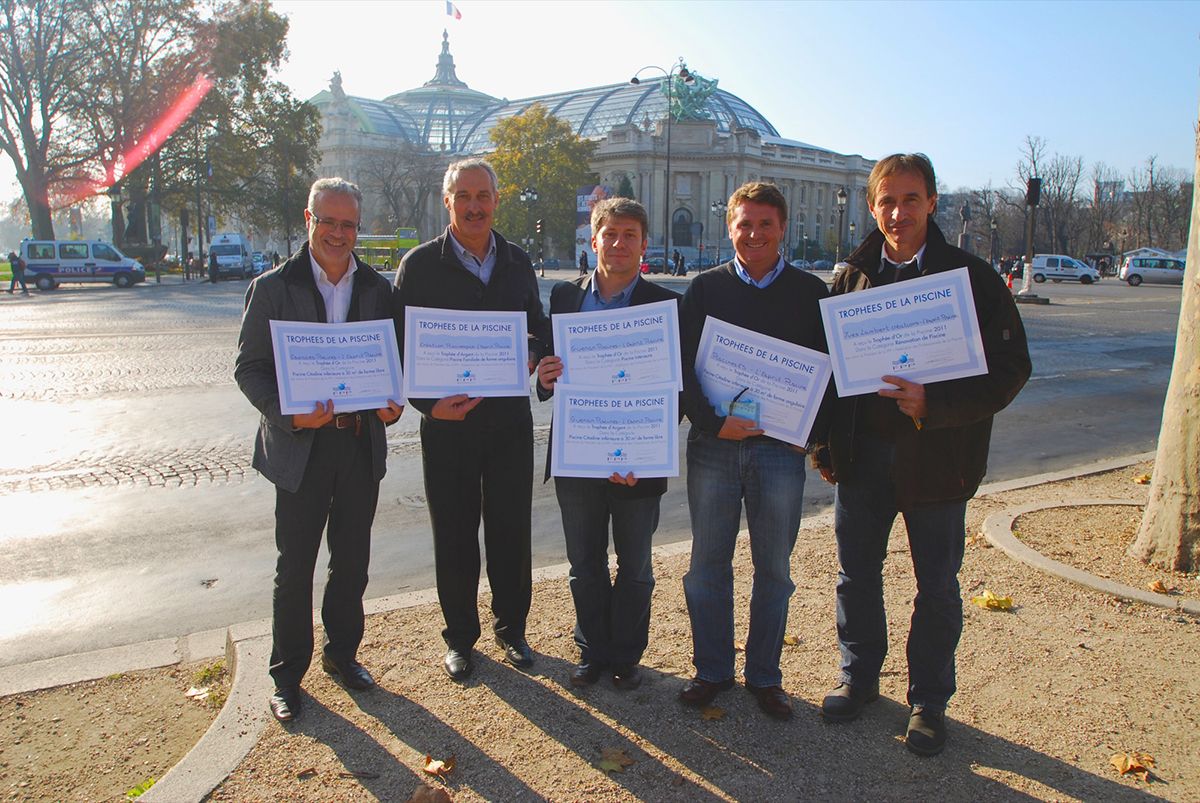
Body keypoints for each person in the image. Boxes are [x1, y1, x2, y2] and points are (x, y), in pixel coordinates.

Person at [813, 153, 1030, 756]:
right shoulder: (852, 277)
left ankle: (929, 701)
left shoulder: (972, 277)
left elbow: (1012, 370)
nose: (898, 212)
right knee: (856, 577)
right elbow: (830, 374)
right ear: (872, 206)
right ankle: (858, 679)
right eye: (887, 200)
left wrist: (934, 403)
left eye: (911, 199)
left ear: (932, 203)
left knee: (936, 584)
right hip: (861, 459)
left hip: (938, 458)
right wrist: (823, 445)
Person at [235, 177, 404, 723]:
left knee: (352, 561)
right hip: (300, 446)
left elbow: (396, 365)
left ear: (358, 228)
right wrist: (288, 414)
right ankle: (287, 676)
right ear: (309, 221)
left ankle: (342, 655)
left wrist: (393, 404)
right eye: (327, 221)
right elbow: (251, 369)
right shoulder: (272, 287)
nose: (337, 233)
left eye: (348, 224)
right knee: (296, 566)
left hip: (358, 444)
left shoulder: (379, 289)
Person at [393, 158, 551, 682]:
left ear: (496, 201)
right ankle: (460, 638)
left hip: (508, 422)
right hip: (447, 425)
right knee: (455, 534)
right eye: (464, 196)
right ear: (448, 202)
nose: (474, 206)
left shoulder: (517, 262)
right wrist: (426, 406)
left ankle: (512, 630)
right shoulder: (418, 266)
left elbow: (536, 328)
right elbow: (398, 348)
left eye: (483, 196)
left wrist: (534, 352)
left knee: (511, 530)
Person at [677, 182, 830, 721]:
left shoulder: (812, 293)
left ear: (782, 228)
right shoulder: (703, 290)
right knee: (706, 566)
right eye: (744, 224)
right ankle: (712, 670)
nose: (754, 234)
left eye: (765, 224)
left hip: (778, 451)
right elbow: (683, 369)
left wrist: (809, 431)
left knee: (775, 569)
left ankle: (765, 675)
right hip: (715, 447)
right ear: (730, 228)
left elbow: (829, 377)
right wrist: (714, 424)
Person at [535, 198, 680, 690]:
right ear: (593, 240)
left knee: (636, 565)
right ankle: (591, 650)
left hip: (638, 458)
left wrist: (643, 452)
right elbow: (546, 369)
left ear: (643, 244)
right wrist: (546, 375)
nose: (618, 243)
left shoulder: (666, 305)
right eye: (609, 233)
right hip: (579, 454)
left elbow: (675, 389)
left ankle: (626, 655)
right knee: (584, 563)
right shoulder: (563, 298)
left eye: (629, 235)